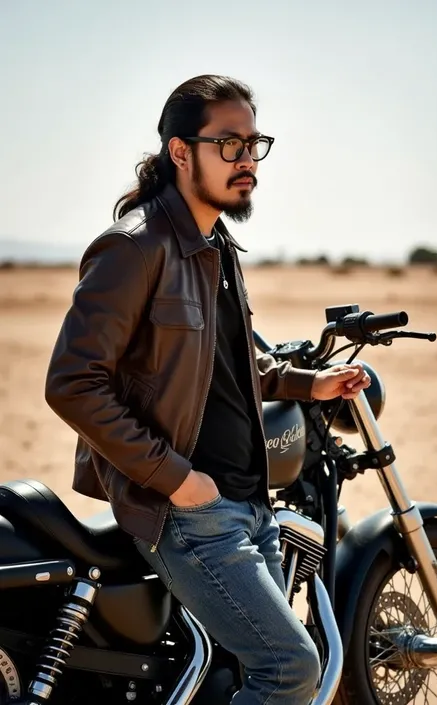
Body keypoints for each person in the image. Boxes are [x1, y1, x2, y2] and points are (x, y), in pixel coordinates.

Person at [45, 74, 370, 704]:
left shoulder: (216, 244)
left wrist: (310, 383)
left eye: (254, 145)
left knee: (247, 675)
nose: (247, 160)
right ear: (180, 151)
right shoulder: (135, 248)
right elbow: (73, 384)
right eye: (229, 144)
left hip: (249, 501)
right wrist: (175, 479)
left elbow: (225, 363)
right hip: (190, 511)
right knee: (291, 671)